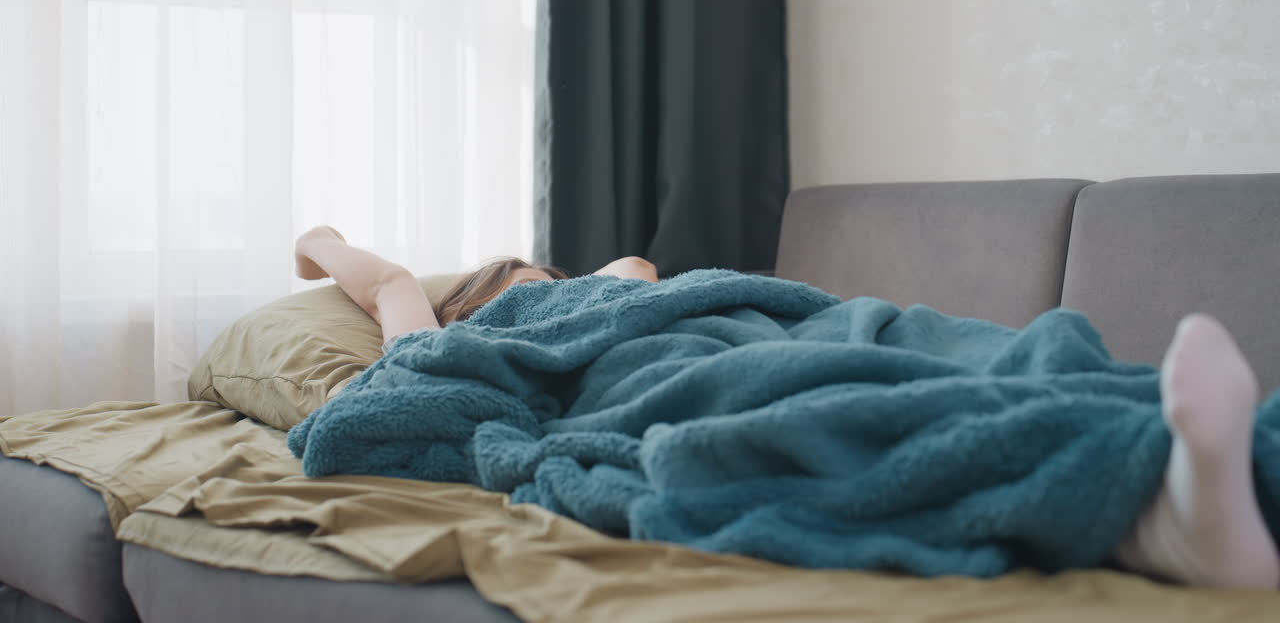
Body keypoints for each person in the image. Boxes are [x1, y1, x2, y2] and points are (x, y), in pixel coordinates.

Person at [294, 225, 1280, 591]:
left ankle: (1198, 463)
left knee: (949, 355)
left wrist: (598, 278)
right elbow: (385, 285)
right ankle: (1162, 514)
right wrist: (321, 237)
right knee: (823, 409)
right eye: (525, 271)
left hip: (743, 329)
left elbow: (643, 276)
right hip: (638, 375)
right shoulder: (471, 328)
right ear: (485, 293)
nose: (542, 273)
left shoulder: (624, 277)